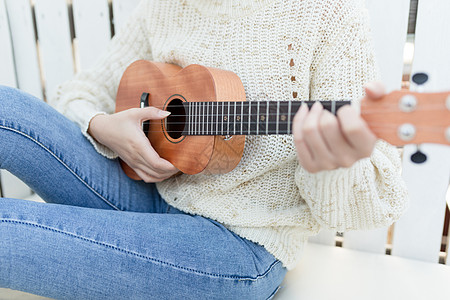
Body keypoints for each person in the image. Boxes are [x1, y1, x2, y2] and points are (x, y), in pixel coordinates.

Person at [0, 0, 408, 299]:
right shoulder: (164, 8)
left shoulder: (329, 16)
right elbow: (81, 90)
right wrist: (103, 126)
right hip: (147, 193)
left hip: (236, 247)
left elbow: (374, 206)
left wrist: (331, 165)